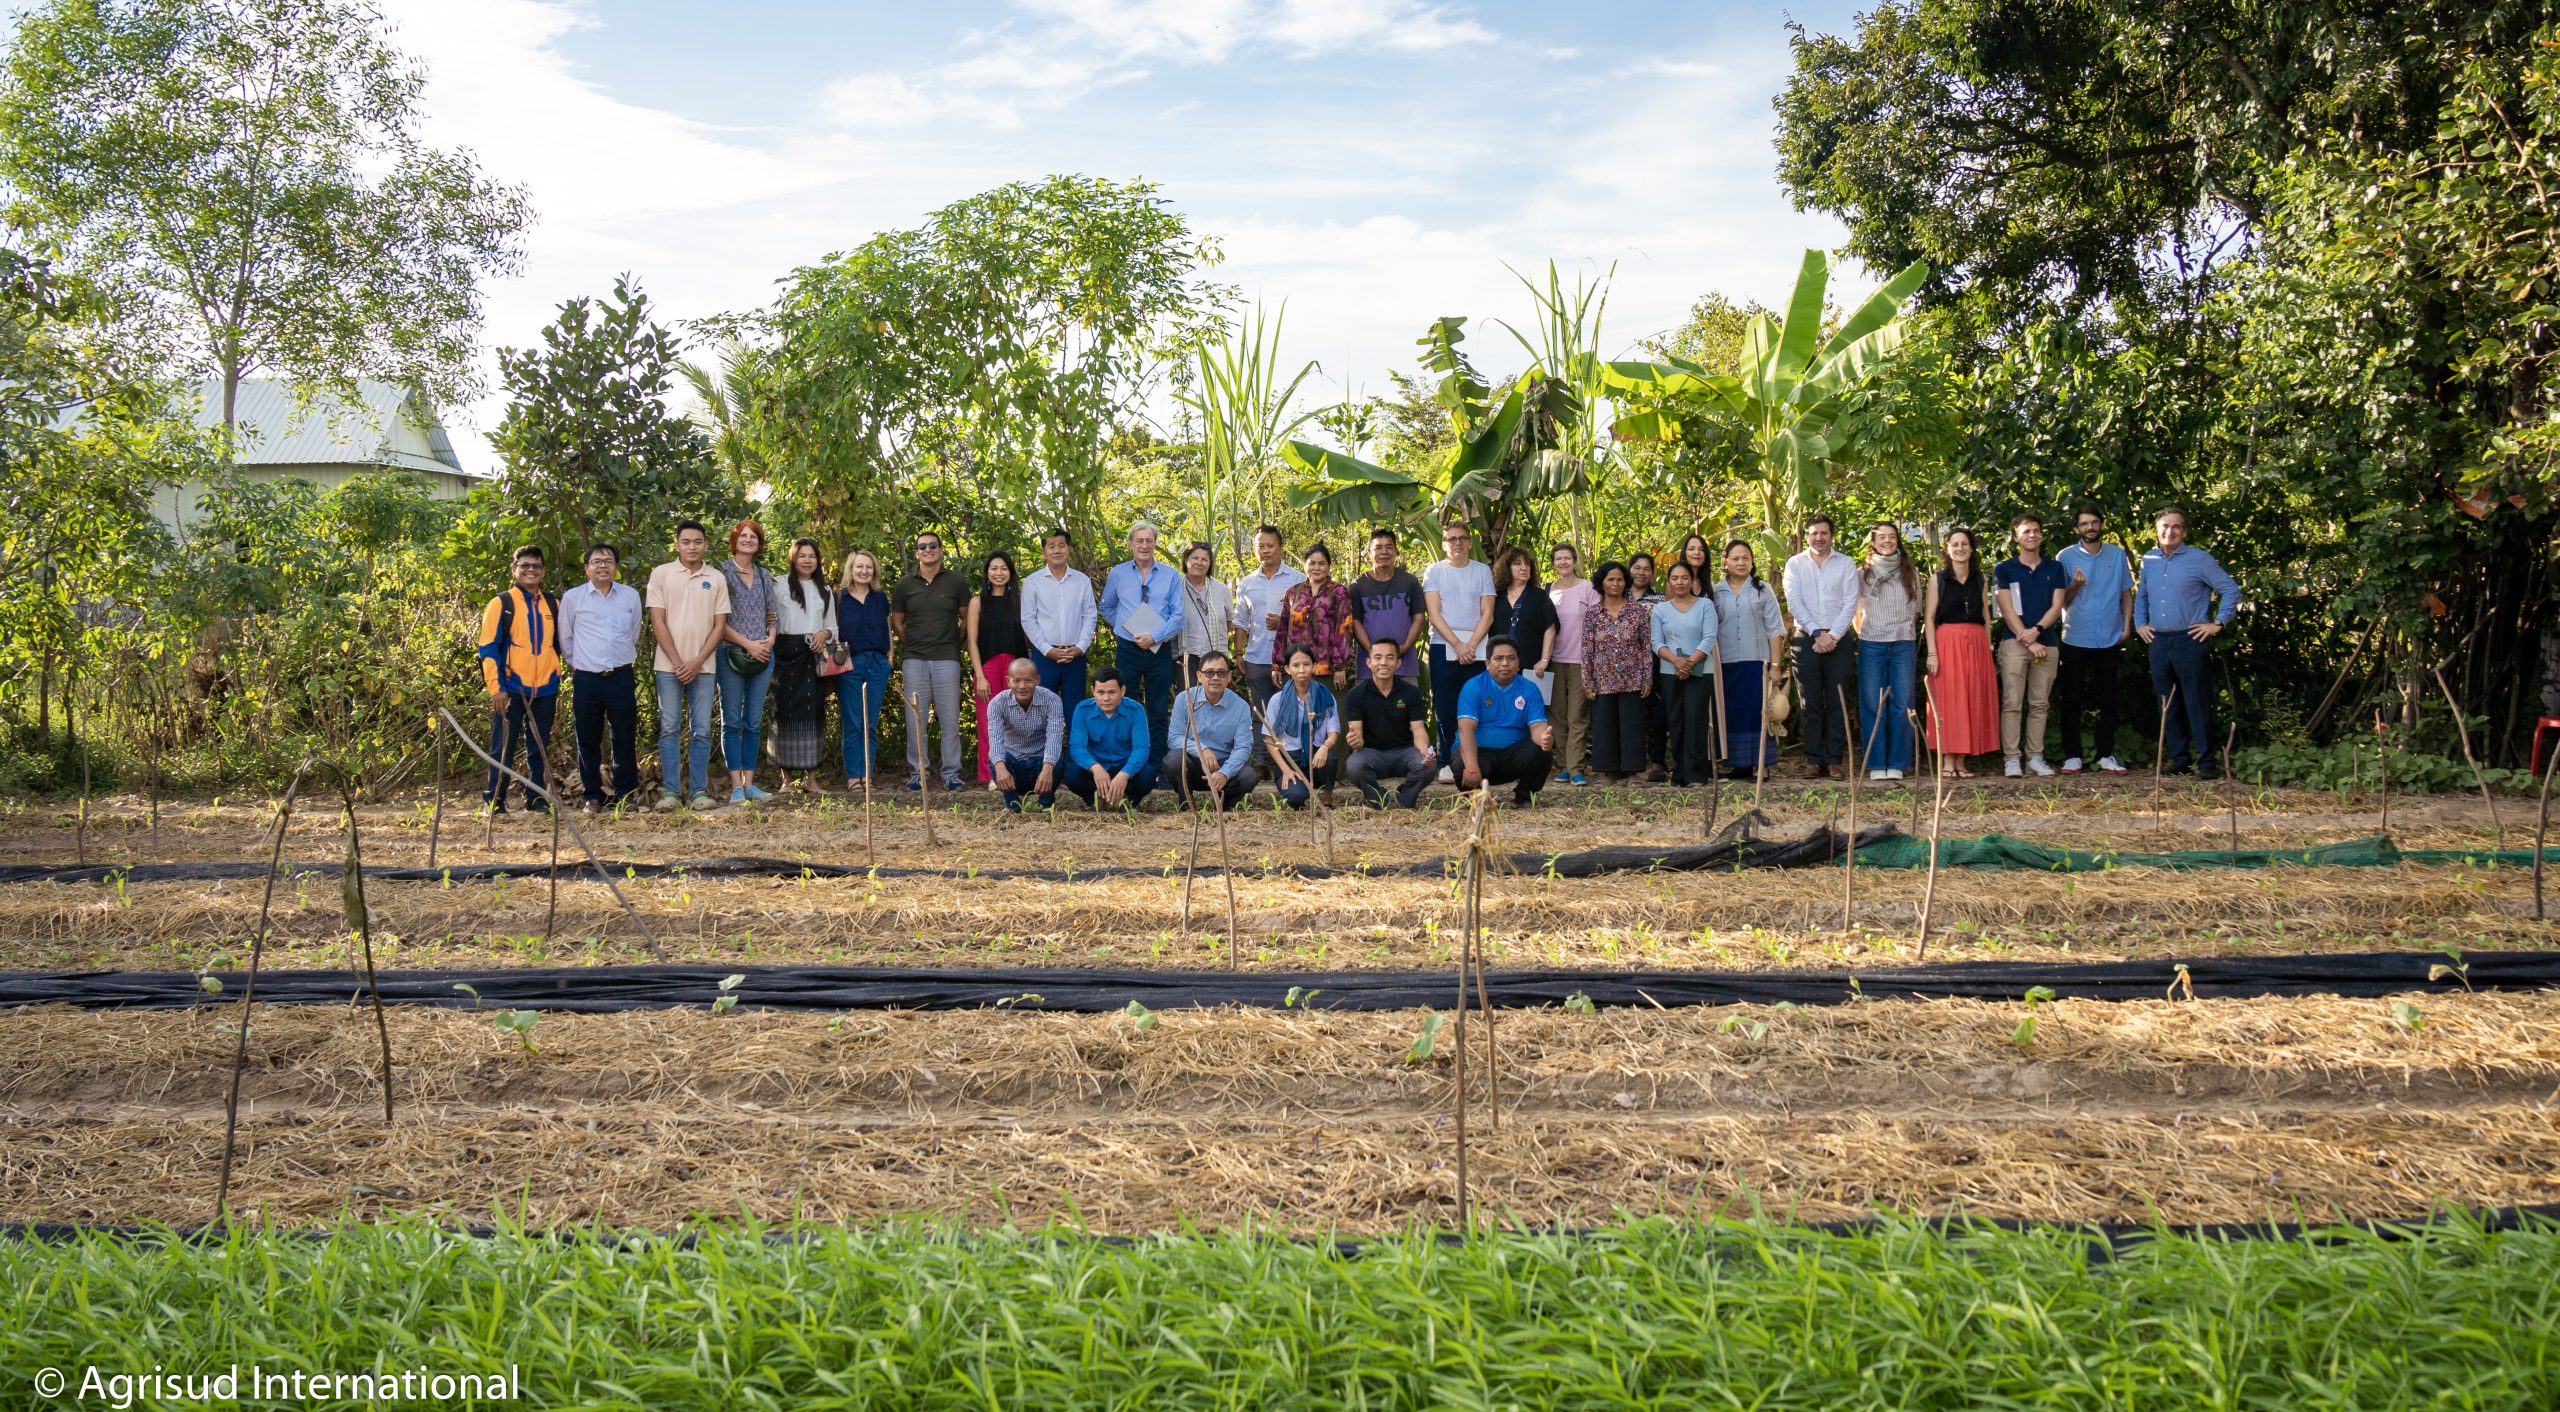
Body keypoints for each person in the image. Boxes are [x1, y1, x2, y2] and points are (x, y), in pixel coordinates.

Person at [2134, 506, 2239, 778]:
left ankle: (2206, 764)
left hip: (2190, 639)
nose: (2170, 531)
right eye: (2165, 527)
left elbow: (2229, 589)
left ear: (2185, 531)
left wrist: (2217, 624)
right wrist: (2140, 624)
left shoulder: (2200, 559)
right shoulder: (2149, 559)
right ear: (2157, 531)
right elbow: (2142, 596)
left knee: (2197, 702)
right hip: (2158, 641)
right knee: (2167, 703)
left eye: (2176, 526)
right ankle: (2179, 761)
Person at [647, 522, 730, 810]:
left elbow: (720, 626)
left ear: (705, 545)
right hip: (668, 666)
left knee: (702, 730)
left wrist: (695, 662)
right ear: (677, 545)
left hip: (703, 668)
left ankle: (698, 792)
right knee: (669, 729)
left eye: (697, 542)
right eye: (686, 542)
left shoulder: (716, 578)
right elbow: (657, 620)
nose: (692, 546)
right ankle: (670, 792)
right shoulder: (661, 574)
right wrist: (678, 661)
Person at [555, 542, 643, 812]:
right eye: (596, 561)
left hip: (620, 676)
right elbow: (566, 639)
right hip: (587, 678)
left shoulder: (630, 596)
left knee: (624, 737)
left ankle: (625, 794)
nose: (602, 565)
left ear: (616, 566)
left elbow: (633, 632)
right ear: (587, 567)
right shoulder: (573, 597)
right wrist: (581, 664)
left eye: (608, 560)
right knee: (587, 738)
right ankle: (592, 795)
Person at [476, 544, 561, 815]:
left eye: (536, 566)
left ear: (543, 571)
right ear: (514, 570)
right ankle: (495, 800)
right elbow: (488, 648)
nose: (531, 570)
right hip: (511, 688)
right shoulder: (502, 603)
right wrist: (496, 688)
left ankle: (535, 797)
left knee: (539, 746)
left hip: (546, 687)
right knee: (503, 747)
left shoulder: (553, 603)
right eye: (525, 565)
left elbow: (557, 644)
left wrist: (554, 671)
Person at [2055, 506, 2135, 774]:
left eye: (2094, 522)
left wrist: (2126, 626)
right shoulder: (2065, 557)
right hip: (2076, 636)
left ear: (2101, 524)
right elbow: (2059, 602)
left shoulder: (2117, 554)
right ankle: (2073, 756)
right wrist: (2075, 586)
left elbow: (2126, 593)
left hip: (2109, 638)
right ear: (2077, 528)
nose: (2090, 527)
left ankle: (2105, 755)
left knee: (2107, 700)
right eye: (2084, 523)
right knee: (2071, 700)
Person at [890, 531, 972, 793]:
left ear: (940, 550)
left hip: (947, 659)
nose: (927, 550)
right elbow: (897, 622)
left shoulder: (956, 582)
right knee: (916, 720)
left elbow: (967, 620)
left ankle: (951, 774)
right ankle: (918, 774)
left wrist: (952, 643)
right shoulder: (905, 585)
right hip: (914, 660)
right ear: (916, 553)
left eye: (932, 546)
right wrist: (910, 644)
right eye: (922, 547)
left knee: (950, 721)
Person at [1783, 514, 1863, 780]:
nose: (1819, 537)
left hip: (1838, 640)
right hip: (1806, 639)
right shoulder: (1795, 564)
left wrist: (1833, 635)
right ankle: (1813, 759)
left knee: (1838, 701)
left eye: (1824, 533)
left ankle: (1835, 761)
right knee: (1811, 702)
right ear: (1806, 536)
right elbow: (1794, 602)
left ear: (1831, 535)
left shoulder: (1845, 563)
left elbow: (1850, 602)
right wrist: (1817, 633)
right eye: (1814, 533)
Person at [1099, 521, 1185, 761]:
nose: (1144, 545)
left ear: (1155, 544)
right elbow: (1106, 606)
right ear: (1130, 544)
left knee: (1158, 710)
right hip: (1128, 648)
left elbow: (1178, 616)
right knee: (1125, 707)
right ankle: (1128, 762)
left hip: (1159, 649)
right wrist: (1126, 628)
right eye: (1139, 541)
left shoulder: (1170, 575)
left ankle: (1157, 766)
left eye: (1149, 541)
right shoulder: (1118, 573)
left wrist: (1154, 636)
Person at [1994, 513, 2068, 778]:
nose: (2032, 535)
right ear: (2016, 537)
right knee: (2012, 702)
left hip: (2046, 643)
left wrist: (2037, 632)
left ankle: (2035, 757)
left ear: (2042, 535)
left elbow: (2057, 605)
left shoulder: (2055, 568)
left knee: (2040, 704)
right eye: (2026, 531)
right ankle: (2012, 759)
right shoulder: (2004, 568)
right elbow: (2006, 607)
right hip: (2014, 643)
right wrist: (2026, 637)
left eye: (2036, 531)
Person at [1923, 527, 2000, 776]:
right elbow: (1930, 617)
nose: (1960, 548)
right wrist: (1932, 653)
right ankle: (1947, 763)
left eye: (1964, 544)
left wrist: (1987, 647)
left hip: (1976, 642)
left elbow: (1986, 616)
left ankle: (1961, 762)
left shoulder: (1980, 578)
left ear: (1971, 548)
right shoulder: (1938, 579)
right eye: (1955, 544)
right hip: (1947, 641)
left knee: (1971, 698)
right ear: (1947, 549)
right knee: (1949, 700)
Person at [713, 520, 779, 804]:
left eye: (754, 537)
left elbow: (773, 615)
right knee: (732, 721)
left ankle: (750, 784)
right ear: (734, 540)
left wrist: (769, 641)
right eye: (744, 536)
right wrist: (748, 644)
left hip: (763, 656)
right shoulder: (721, 574)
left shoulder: (764, 575)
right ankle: (736, 786)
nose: (749, 540)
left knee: (753, 722)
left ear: (759, 543)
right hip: (731, 654)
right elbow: (717, 622)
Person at [1423, 519, 1496, 777]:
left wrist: (1471, 645)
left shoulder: (1482, 570)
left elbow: (1487, 613)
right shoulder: (1434, 571)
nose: (1457, 543)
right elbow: (1433, 612)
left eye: (1462, 538)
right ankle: (1445, 762)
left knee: (1478, 703)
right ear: (1444, 544)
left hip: (1478, 646)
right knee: (1445, 706)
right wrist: (1457, 644)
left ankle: (1476, 759)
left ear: (1469, 541)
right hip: (1444, 646)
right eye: (1451, 539)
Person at [1231, 524, 1305, 772]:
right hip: (1257, 656)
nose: (1265, 550)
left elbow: (1310, 619)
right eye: (1260, 546)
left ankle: (1291, 759)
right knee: (1260, 712)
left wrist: (1285, 620)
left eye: (1270, 545)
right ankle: (1261, 760)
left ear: (1281, 547)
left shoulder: (1297, 579)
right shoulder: (1248, 582)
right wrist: (1238, 652)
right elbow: (1241, 621)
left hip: (1290, 658)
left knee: (1292, 708)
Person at [1713, 540, 1788, 780]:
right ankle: (1739, 765)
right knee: (1732, 713)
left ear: (1752, 561)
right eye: (1735, 558)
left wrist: (1775, 666)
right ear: (1725, 561)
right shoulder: (1716, 591)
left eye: (1745, 558)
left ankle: (1762, 765)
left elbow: (1775, 629)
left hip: (1757, 663)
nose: (1741, 562)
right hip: (1725, 663)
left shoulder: (1762, 590)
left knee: (1758, 713)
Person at [1856, 522, 1921, 781]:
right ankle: (1876, 763)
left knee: (1902, 704)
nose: (1887, 541)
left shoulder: (1909, 572)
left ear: (1897, 540)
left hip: (1902, 643)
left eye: (1891, 537)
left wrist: (1900, 629)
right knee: (1873, 703)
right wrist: (1868, 632)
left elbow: (1915, 610)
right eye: (1881, 537)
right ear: (1873, 542)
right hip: (1872, 643)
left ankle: (1897, 762)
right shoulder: (1863, 573)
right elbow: (1856, 611)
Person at [1456, 637, 1554, 806]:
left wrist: (1544, 738)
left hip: (1512, 755)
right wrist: (1471, 767)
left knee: (1542, 752)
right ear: (1487, 663)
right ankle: (1476, 799)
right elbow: (1466, 730)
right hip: (1481, 754)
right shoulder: (1474, 687)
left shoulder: (1530, 689)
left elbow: (1537, 726)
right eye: (1498, 658)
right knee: (1461, 764)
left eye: (1511, 658)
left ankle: (1524, 798)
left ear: (1518, 662)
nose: (1505, 664)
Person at [770, 537, 834, 792]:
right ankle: (785, 780)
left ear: (817, 561)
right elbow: (770, 619)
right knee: (782, 713)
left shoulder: (825, 590)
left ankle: (811, 778)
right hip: (785, 653)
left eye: (812, 556)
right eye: (802, 556)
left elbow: (833, 626)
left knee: (813, 714)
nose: (807, 561)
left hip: (813, 655)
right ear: (793, 558)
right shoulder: (778, 585)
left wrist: (823, 635)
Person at [1581, 561, 1654, 783]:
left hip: (1632, 678)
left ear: (1626, 582)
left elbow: (1645, 647)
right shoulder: (1593, 614)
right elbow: (1586, 650)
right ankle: (1608, 771)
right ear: (1601, 583)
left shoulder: (1637, 611)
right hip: (1602, 679)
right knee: (1605, 726)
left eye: (1620, 579)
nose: (1615, 583)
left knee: (1632, 726)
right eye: (1610, 579)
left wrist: (1647, 677)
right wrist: (1588, 681)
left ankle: (1633, 772)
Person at [1343, 638, 1436, 808]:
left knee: (1427, 767)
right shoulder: (1356, 695)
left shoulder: (1410, 692)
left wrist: (1424, 752)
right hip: (1372, 753)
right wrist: (1355, 740)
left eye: (1390, 657)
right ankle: (1380, 799)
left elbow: (1418, 729)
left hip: (1405, 752)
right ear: (1369, 663)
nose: (1383, 663)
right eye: (1378, 658)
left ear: (1398, 663)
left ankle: (1404, 799)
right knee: (1354, 766)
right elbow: (1357, 735)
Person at [1650, 561, 1719, 787]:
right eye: (1675, 578)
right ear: (1669, 582)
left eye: (1684, 578)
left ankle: (1696, 775)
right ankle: (1679, 774)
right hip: (1670, 672)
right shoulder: (1661, 609)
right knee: (1676, 722)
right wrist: (1676, 662)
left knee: (1696, 721)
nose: (1679, 582)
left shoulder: (1705, 605)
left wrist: (1689, 663)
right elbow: (1656, 642)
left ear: (1692, 581)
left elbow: (1709, 637)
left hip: (1701, 671)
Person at [1162, 650, 1258, 809]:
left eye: (1221, 673)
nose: (1215, 678)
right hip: (1194, 764)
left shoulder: (1240, 706)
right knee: (1173, 760)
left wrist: (1225, 772)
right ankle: (1186, 806)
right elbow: (1174, 738)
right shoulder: (1184, 699)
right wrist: (1202, 749)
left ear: (1228, 677)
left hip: (1223, 765)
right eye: (1209, 673)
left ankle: (1223, 808)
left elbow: (1243, 747)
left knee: (1248, 776)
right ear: (1199, 676)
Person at [831, 549, 894, 790]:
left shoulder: (880, 598)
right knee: (853, 722)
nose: (864, 571)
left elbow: (887, 627)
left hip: (877, 664)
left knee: (870, 724)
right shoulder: (840, 597)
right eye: (859, 566)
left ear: (874, 571)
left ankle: (867, 775)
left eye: (869, 567)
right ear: (851, 569)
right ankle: (853, 777)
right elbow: (832, 630)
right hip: (850, 664)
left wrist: (890, 657)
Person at [967, 550, 1028, 786]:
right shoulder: (977, 601)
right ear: (986, 573)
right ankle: (991, 773)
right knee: (987, 722)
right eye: (994, 568)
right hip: (988, 668)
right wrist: (979, 675)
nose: (999, 573)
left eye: (1004, 568)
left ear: (1010, 573)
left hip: (1016, 668)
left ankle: (1016, 771)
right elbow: (972, 641)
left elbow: (1028, 636)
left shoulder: (1020, 600)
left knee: (1016, 721)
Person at [1021, 526, 1097, 708]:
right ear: (1044, 551)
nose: (1057, 550)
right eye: (1051, 546)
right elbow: (1028, 620)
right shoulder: (1032, 582)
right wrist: (1048, 650)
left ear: (1068, 549)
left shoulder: (1082, 581)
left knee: (1076, 710)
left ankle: (1074, 738)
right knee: (1042, 711)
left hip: (1075, 657)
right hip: (1044, 657)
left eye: (1061, 545)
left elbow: (1090, 616)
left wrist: (1080, 647)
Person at [1065, 667, 1157, 813]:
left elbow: (1142, 748)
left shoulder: (1135, 710)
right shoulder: (1083, 710)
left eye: (1112, 692)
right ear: (1093, 690)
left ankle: (1128, 801)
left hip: (1124, 766)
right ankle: (1095, 800)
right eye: (1100, 692)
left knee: (1148, 774)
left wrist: (1125, 774)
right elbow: (1077, 747)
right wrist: (1095, 768)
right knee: (1071, 773)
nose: (1106, 698)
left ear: (1122, 691)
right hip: (1096, 770)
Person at [1263, 645, 1342, 809]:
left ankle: (1326, 795)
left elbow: (1333, 731)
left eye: (1306, 664)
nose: (1301, 670)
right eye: (1296, 665)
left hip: (1316, 755)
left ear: (1314, 667)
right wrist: (1284, 768)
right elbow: (1269, 738)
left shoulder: (1325, 696)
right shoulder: (1277, 700)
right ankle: (1299, 791)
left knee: (1330, 759)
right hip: (1290, 758)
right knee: (1296, 796)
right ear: (1287, 669)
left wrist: (1325, 747)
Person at [1547, 543, 1598, 785]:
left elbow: (1598, 622)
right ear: (1554, 563)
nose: (1563, 562)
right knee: (1556, 715)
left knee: (1577, 716)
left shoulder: (1587, 588)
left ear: (1575, 560)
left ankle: (1576, 767)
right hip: (1554, 660)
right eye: (1558, 559)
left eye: (1567, 558)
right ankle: (1563, 765)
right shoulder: (1549, 590)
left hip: (1580, 661)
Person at [1274, 542, 1357, 691]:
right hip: (1296, 669)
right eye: (1312, 563)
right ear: (1305, 565)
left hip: (1326, 669)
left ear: (1329, 566)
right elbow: (1282, 630)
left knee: (1324, 712)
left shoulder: (1339, 592)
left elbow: (1344, 630)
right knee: (1297, 712)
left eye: (1321, 564)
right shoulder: (1293, 592)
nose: (1316, 568)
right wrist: (1277, 665)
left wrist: (1339, 666)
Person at [985, 657, 1065, 812]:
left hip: (1040, 762)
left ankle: (1046, 805)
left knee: (1058, 760)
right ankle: (1012, 806)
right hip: (1014, 763)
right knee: (996, 760)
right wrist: (1000, 768)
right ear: (1008, 681)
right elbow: (995, 741)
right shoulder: (997, 703)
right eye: (1016, 681)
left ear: (1037, 680)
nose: (1022, 686)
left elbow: (1054, 738)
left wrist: (1048, 769)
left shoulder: (1052, 700)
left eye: (1028, 681)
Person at [1348, 527, 1426, 684]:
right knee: (1369, 708)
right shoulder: (1358, 586)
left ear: (1396, 551)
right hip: (1369, 667)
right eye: (1378, 547)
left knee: (1405, 707)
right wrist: (1372, 651)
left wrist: (1404, 648)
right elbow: (1355, 622)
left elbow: (1418, 618)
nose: (1384, 552)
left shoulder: (1410, 582)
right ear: (1370, 553)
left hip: (1404, 665)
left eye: (1389, 547)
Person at [1490, 545, 1557, 704]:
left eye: (1527, 564)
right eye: (1517, 563)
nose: (1523, 568)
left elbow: (1550, 628)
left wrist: (1544, 659)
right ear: (1507, 568)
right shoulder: (1495, 596)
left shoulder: (1539, 595)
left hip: (1531, 666)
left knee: (1528, 710)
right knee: (1500, 708)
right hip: (1500, 665)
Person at [1628, 552, 1669, 780]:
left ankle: (1657, 761)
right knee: (1629, 714)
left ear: (1653, 574)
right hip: (1622, 665)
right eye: (1637, 567)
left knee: (1655, 713)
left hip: (1653, 662)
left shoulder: (1661, 600)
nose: (1641, 572)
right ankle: (1631, 762)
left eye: (1646, 569)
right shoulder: (1617, 596)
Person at [1174, 542, 1234, 689]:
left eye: (1204, 559)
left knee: (1216, 701)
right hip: (1186, 657)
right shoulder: (1175, 588)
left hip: (1217, 657)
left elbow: (1228, 622)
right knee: (1189, 702)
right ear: (1186, 560)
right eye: (1195, 558)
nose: (1199, 563)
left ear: (1210, 564)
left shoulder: (1221, 589)